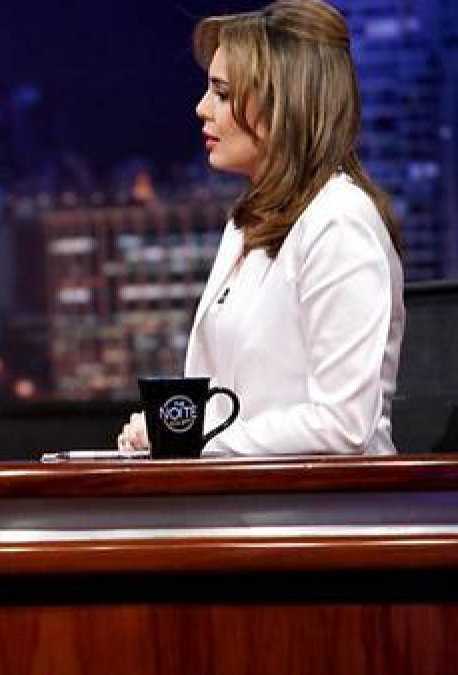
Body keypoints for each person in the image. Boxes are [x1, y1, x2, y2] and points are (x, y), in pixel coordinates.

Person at [118, 0, 404, 456]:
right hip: (244, 493)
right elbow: (232, 403)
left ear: (282, 104)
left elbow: (343, 426)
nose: (201, 108)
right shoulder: (246, 221)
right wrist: (167, 429)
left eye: (222, 94)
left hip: (329, 498)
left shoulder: (340, 222)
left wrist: (192, 440)